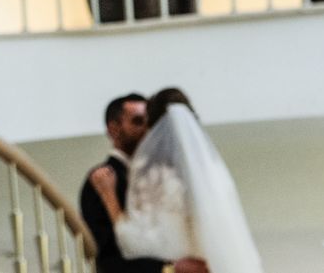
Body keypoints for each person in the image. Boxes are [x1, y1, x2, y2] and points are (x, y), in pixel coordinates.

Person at [91, 88, 262, 273]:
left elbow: (135, 243)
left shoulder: (156, 175)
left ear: (153, 129)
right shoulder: (212, 169)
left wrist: (109, 198)